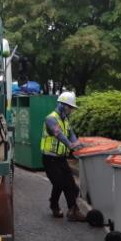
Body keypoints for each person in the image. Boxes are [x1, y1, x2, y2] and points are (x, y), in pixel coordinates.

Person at [40, 91, 86, 222]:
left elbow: (71, 134)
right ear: (63, 105)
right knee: (60, 183)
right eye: (70, 107)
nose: (71, 110)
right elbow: (58, 134)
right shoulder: (51, 119)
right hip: (50, 159)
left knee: (71, 185)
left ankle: (73, 210)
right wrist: (70, 145)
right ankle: (56, 206)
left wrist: (77, 145)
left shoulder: (65, 120)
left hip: (61, 158)